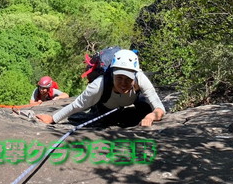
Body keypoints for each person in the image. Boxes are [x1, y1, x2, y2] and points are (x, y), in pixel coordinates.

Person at [36, 50, 165, 128]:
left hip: (132, 101)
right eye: (119, 78)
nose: (123, 83)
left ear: (135, 76)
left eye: (128, 79)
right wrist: (53, 119)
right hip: (107, 106)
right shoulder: (99, 85)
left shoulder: (140, 79)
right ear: (112, 74)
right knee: (104, 121)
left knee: (145, 109)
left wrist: (152, 116)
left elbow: (159, 107)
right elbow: (77, 105)